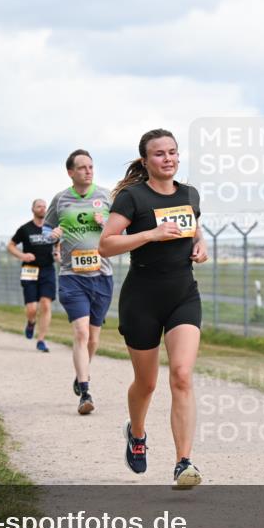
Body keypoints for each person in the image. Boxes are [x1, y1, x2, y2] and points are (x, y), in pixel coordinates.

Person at [98, 129, 208, 487]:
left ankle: (184, 463)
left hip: (182, 294)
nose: (169, 159)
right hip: (142, 298)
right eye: (159, 154)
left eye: (173, 152)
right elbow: (107, 245)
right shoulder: (133, 198)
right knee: (146, 384)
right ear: (145, 161)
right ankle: (138, 433)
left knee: (181, 375)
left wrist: (201, 246)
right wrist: (150, 235)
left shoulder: (189, 194)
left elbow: (195, 229)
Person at [47, 149, 114, 415]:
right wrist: (51, 234)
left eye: (91, 166)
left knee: (94, 339)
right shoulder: (61, 199)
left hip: (102, 275)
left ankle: (80, 373)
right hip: (71, 276)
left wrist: (106, 223)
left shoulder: (106, 196)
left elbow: (122, 228)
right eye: (82, 167)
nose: (88, 171)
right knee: (81, 333)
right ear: (71, 172)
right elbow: (46, 228)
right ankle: (85, 391)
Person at [8, 199, 60, 352]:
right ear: (33, 209)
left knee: (45, 304)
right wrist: (22, 256)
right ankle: (31, 322)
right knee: (32, 308)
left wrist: (57, 252)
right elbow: (10, 245)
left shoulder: (51, 228)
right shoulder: (25, 229)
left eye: (44, 206)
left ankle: (41, 340)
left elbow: (58, 242)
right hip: (29, 269)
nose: (43, 209)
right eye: (39, 206)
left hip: (47, 269)